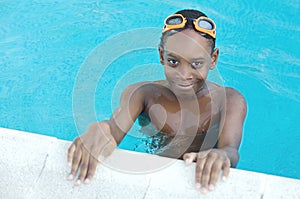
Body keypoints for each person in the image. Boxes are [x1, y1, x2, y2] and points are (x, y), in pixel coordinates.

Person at [67, 9, 247, 194]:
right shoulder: (144, 95)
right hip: (156, 173)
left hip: (201, 181)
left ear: (213, 59)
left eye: (196, 64)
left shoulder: (229, 100)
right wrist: (103, 129)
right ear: (161, 55)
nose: (184, 75)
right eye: (173, 62)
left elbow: (230, 150)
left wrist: (220, 154)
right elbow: (113, 130)